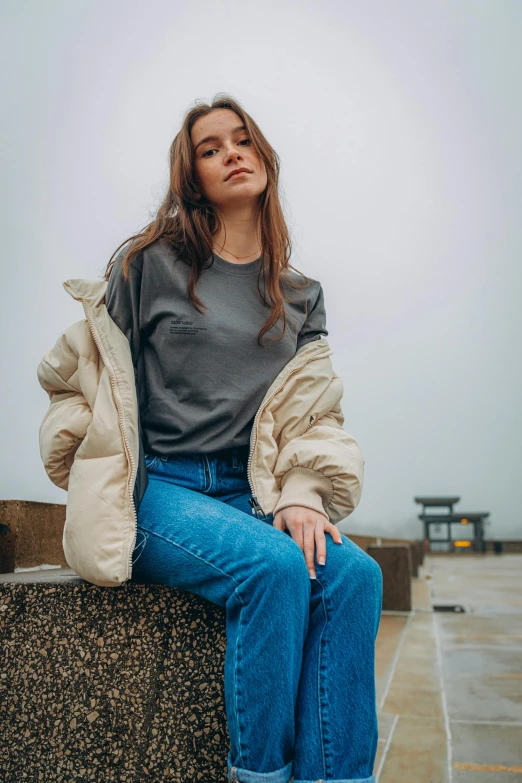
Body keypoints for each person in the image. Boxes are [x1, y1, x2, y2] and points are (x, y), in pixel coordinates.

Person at [37, 95, 382, 783]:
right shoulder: (150, 266)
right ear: (192, 175)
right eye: (210, 146)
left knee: (355, 578)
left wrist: (305, 491)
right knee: (275, 569)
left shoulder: (300, 294)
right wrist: (93, 465)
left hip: (250, 493)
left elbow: (315, 415)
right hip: (162, 491)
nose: (232, 152)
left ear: (264, 158)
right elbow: (78, 373)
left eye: (243, 139)